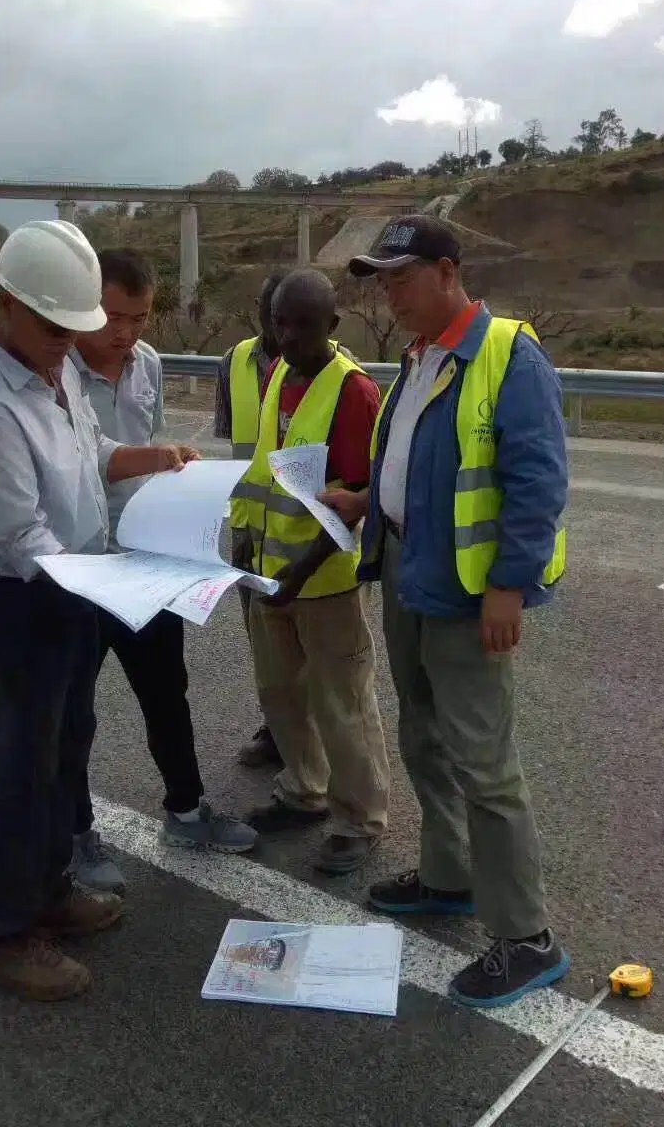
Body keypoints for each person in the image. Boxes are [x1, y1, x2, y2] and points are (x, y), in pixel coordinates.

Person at [0, 220, 193, 1002]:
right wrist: (119, 588)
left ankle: (50, 891)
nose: (68, 343)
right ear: (8, 304)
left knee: (66, 750)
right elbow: (22, 540)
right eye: (56, 327)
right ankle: (7, 935)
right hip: (27, 602)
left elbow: (88, 459)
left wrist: (153, 457)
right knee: (25, 765)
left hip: (77, 592)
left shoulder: (57, 372)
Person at [321, 214, 570, 1009]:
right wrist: (364, 499)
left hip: (468, 594)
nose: (388, 293)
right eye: (381, 278)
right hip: (406, 571)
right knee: (423, 735)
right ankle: (449, 876)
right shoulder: (419, 359)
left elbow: (538, 482)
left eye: (400, 276)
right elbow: (413, 463)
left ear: (448, 271)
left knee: (484, 764)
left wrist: (508, 585)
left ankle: (527, 937)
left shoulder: (506, 356)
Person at [69, 249, 257, 889]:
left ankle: (185, 809)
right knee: (73, 709)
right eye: (112, 317)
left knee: (165, 691)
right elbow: (72, 465)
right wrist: (149, 456)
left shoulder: (146, 364)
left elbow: (149, 456)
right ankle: (73, 834)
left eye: (140, 318)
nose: (124, 334)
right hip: (82, 567)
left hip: (145, 559)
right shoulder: (57, 371)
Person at [241, 269, 390, 876]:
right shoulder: (279, 372)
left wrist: (300, 574)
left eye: (305, 326)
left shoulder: (352, 391)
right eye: (280, 323)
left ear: (332, 325)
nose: (290, 336)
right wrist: (245, 546)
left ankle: (360, 819)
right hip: (268, 572)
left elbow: (355, 497)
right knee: (281, 693)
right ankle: (303, 791)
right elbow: (264, 473)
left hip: (322, 581)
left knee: (342, 703)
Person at [213, 268, 288, 769]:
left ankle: (315, 741)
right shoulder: (235, 361)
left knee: (317, 646)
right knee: (262, 640)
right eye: (264, 304)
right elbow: (235, 443)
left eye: (279, 307)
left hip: (305, 533)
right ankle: (279, 730)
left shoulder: (335, 366)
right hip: (247, 525)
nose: (269, 316)